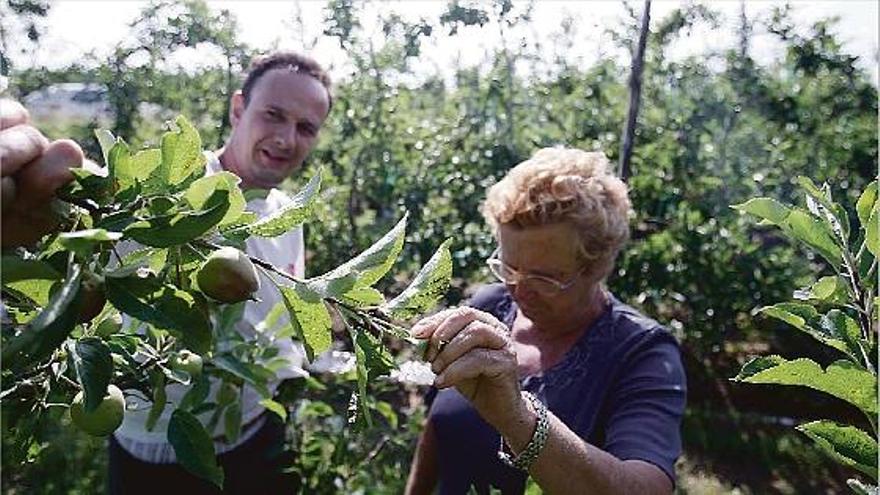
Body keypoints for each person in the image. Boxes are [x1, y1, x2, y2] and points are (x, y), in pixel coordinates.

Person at [1, 51, 332, 493]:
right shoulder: (166, 196)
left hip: (254, 435)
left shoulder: (286, 215)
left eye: (305, 127)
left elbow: (272, 321)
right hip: (153, 450)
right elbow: (90, 210)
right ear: (238, 108)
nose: (287, 139)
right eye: (273, 115)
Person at [405, 148, 686, 494]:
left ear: (596, 267)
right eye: (508, 267)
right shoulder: (488, 309)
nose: (519, 290)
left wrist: (517, 417)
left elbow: (647, 488)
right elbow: (437, 428)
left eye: (545, 278)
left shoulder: (642, 354)